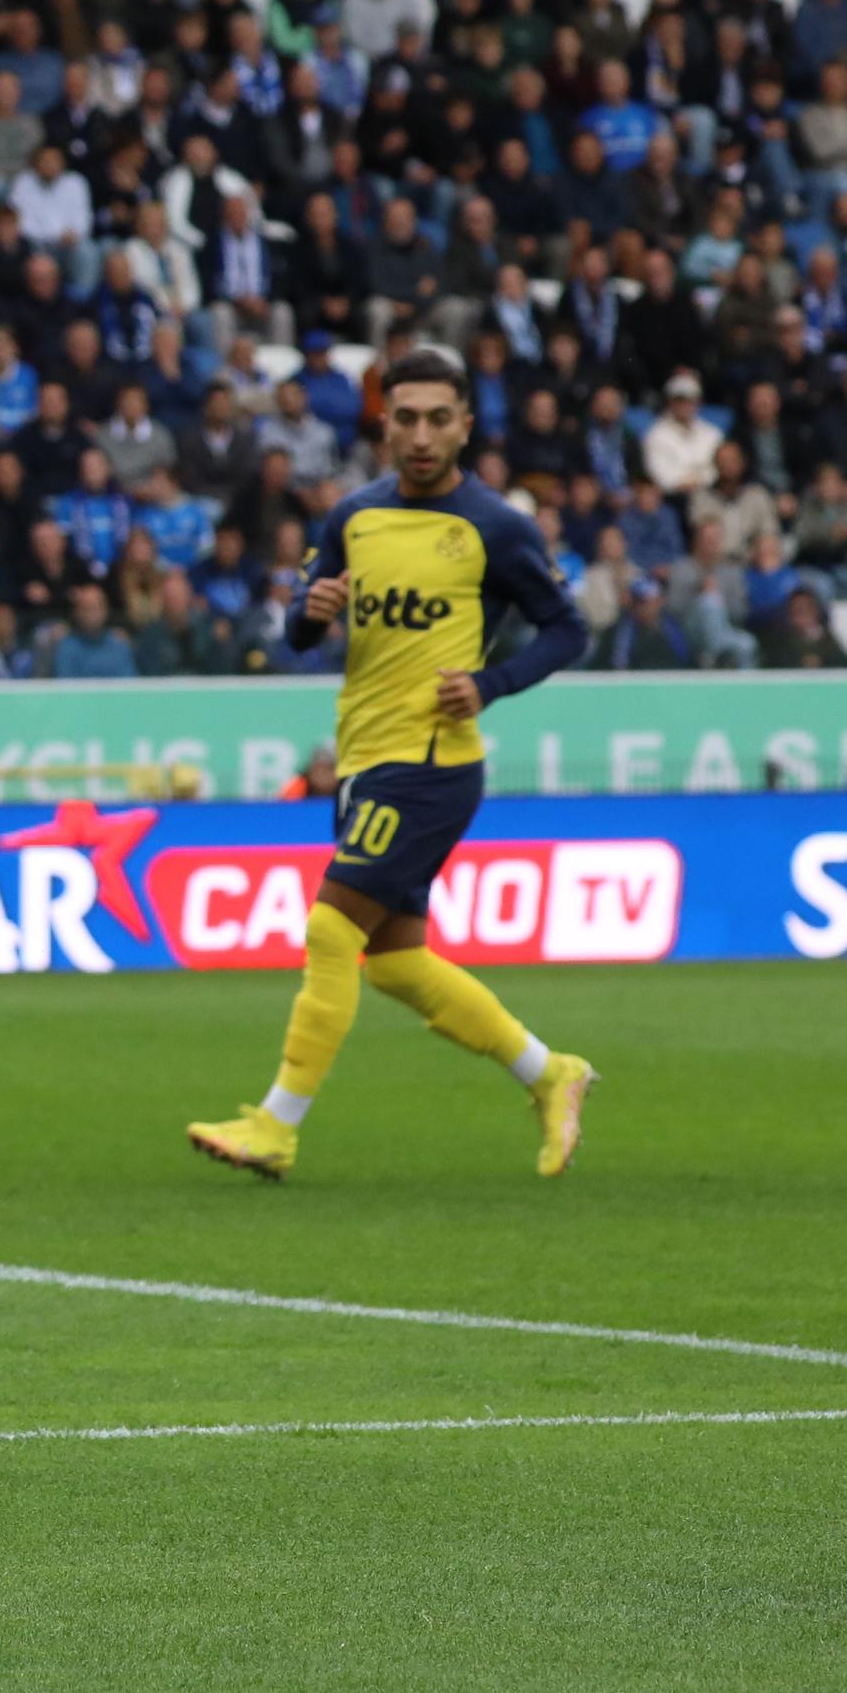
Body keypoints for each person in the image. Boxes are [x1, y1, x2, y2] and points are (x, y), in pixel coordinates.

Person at [189, 348, 597, 1187]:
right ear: (384, 426)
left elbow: (567, 629)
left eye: (438, 419)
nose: (420, 436)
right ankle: (550, 1071)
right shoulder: (353, 517)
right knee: (400, 964)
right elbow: (300, 631)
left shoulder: (494, 527)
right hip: (364, 757)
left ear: (465, 427)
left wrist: (490, 683)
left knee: (330, 928)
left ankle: (276, 1126)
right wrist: (310, 613)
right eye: (405, 418)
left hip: (431, 761)